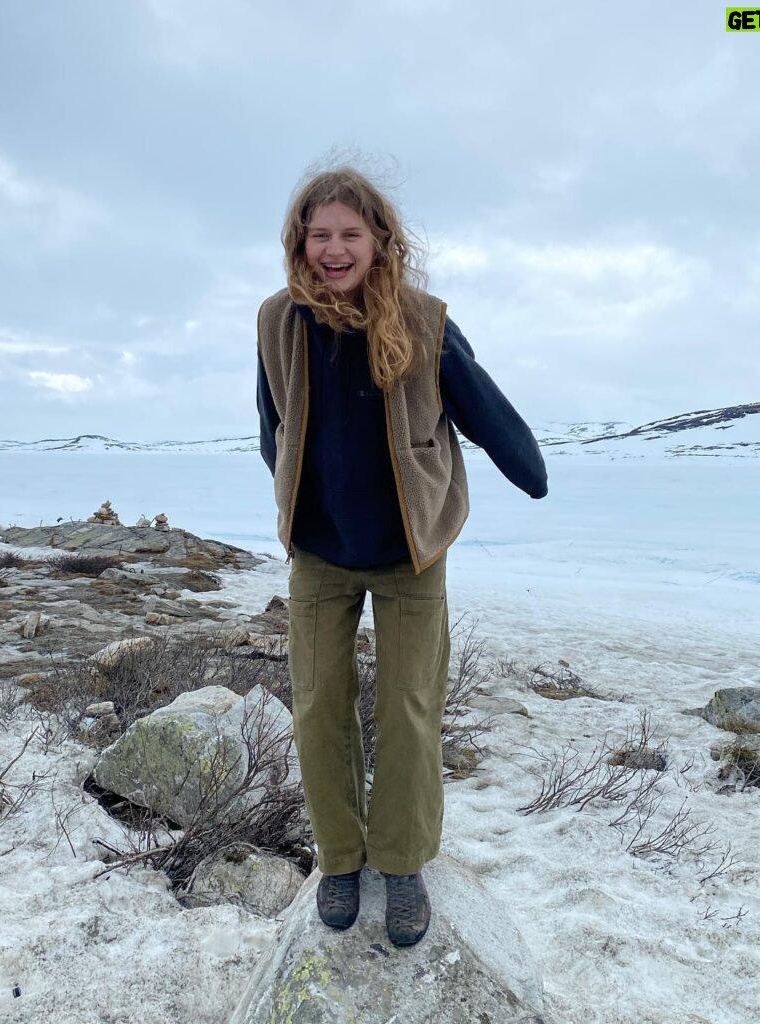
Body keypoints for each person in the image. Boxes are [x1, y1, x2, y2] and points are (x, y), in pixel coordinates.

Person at [256, 166, 548, 948]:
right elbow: (272, 422)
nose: (334, 249)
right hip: (320, 551)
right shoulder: (277, 321)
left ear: (381, 241)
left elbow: (484, 411)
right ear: (300, 242)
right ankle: (342, 859)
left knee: (410, 708)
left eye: (351, 233)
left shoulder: (422, 320)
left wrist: (532, 472)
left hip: (410, 553)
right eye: (320, 235)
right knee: (319, 706)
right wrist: (295, 489)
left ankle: (402, 861)